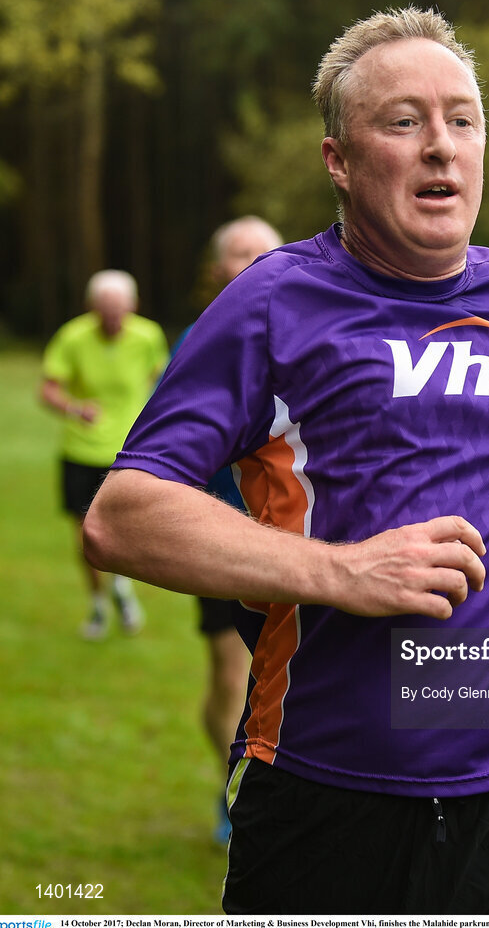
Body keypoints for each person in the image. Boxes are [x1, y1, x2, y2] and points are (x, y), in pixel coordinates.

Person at [83, 8, 489, 914]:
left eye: (461, 120)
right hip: (325, 791)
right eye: (402, 121)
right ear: (338, 161)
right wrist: (339, 571)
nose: (440, 148)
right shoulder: (275, 301)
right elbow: (123, 514)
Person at [176, 215, 284, 844]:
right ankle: (231, 788)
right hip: (223, 533)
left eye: (261, 253)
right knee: (229, 668)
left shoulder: (319, 331)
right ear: (219, 268)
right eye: (238, 254)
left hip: (307, 538)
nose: (249, 263)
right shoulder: (198, 339)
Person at [41, 269, 168, 640]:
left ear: (133, 306)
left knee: (127, 531)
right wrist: (74, 408)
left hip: (129, 451)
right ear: (90, 307)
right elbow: (47, 389)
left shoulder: (148, 336)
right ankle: (98, 604)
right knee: (86, 537)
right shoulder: (73, 336)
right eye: (104, 311)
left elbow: (161, 379)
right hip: (80, 449)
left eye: (118, 311)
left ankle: (122, 589)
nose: (112, 319)